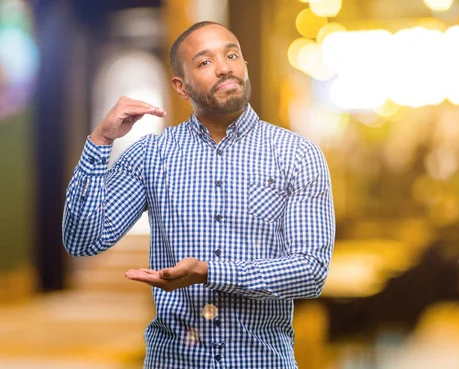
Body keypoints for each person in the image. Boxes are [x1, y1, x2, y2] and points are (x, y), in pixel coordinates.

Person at [62, 21, 335, 368]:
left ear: (244, 66)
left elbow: (310, 271)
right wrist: (99, 142)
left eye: (232, 55)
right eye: (205, 62)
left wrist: (211, 272)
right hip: (173, 361)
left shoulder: (296, 155)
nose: (224, 67)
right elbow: (82, 241)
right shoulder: (151, 156)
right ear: (181, 86)